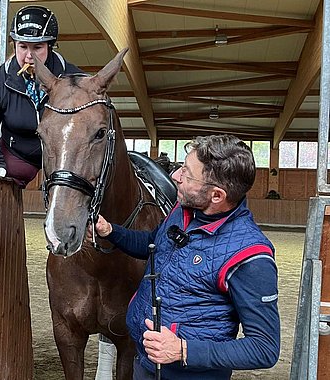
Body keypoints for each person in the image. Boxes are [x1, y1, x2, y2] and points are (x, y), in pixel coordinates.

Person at [87, 134, 280, 380]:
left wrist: (183, 350)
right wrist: (111, 231)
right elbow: (153, 245)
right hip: (146, 364)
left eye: (187, 174)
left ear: (217, 196)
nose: (175, 176)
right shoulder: (184, 211)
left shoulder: (250, 256)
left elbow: (264, 348)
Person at [0, 5, 84, 188]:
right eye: (23, 47)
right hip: (18, 155)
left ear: (50, 46)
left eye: (37, 47)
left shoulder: (72, 78)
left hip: (63, 155)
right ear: (14, 45)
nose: (29, 56)